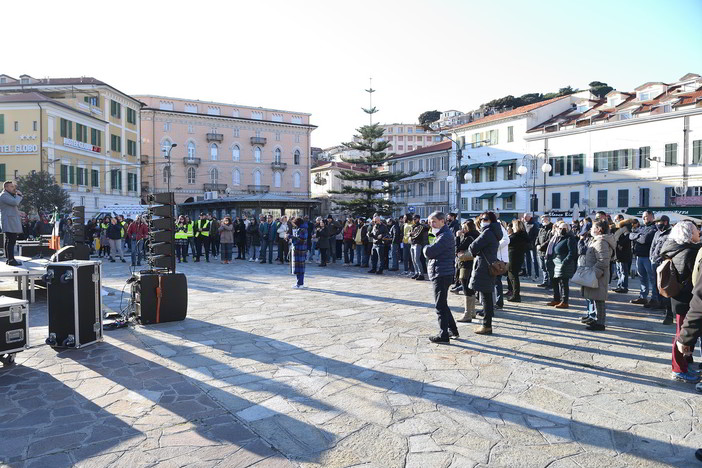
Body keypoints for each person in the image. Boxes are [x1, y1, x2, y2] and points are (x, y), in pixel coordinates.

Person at [659, 221, 701, 383]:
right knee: (682, 334)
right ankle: (678, 369)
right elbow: (691, 278)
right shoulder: (689, 252)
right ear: (689, 234)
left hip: (679, 299)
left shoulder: (674, 248)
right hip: (687, 300)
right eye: (696, 230)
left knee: (683, 332)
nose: (699, 232)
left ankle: (685, 362)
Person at [423, 211, 458, 343]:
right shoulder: (441, 234)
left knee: (440, 306)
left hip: (442, 273)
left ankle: (444, 335)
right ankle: (453, 330)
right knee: (443, 304)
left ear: (442, 221)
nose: (431, 224)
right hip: (441, 271)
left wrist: (425, 247)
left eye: (434, 221)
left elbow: (430, 252)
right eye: (430, 221)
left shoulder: (445, 235)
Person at [468, 211, 502, 335]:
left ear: (491, 220)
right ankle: (487, 324)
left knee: (486, 297)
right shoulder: (495, 231)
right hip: (489, 265)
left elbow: (472, 247)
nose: (482, 221)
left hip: (484, 267)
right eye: (482, 219)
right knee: (487, 296)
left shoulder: (487, 232)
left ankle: (487, 325)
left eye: (485, 219)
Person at [580, 221, 616, 331]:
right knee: (595, 298)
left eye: (593, 227)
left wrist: (592, 275)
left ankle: (600, 323)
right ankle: (597, 320)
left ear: (599, 229)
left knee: (599, 300)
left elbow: (603, 261)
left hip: (598, 276)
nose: (590, 229)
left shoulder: (601, 242)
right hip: (595, 274)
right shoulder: (597, 241)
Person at [629, 211, 658, 306]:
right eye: (643, 217)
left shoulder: (654, 228)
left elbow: (644, 240)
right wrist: (639, 236)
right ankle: (643, 297)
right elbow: (630, 235)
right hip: (639, 256)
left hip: (648, 257)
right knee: (642, 278)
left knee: (652, 279)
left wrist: (637, 236)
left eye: (646, 217)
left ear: (652, 217)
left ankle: (654, 299)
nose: (644, 218)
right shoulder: (642, 228)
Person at [547, 221, 578, 309]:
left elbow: (572, 252)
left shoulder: (570, 238)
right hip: (556, 262)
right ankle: (556, 299)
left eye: (564, 228)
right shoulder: (559, 238)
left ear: (568, 229)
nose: (562, 230)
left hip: (564, 263)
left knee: (563, 283)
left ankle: (565, 301)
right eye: (560, 228)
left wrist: (565, 262)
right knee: (555, 281)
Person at [456, 220, 480, 322]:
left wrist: (458, 237)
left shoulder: (468, 237)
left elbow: (457, 248)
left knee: (466, 287)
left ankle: (467, 314)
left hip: (466, 264)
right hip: (473, 264)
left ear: (467, 228)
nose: (462, 230)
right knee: (471, 288)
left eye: (463, 228)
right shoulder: (477, 235)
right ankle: (472, 312)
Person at [648, 215, 672, 313]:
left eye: (659, 222)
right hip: (654, 261)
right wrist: (651, 257)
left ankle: (665, 304)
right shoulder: (657, 233)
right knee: (655, 283)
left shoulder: (671, 233)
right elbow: (652, 246)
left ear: (665, 222)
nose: (657, 224)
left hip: (663, 262)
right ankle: (658, 302)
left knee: (663, 283)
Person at [507, 219, 530, 303]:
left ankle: (516, 295)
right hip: (518, 257)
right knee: (513, 276)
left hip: (513, 257)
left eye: (513, 226)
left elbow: (508, 242)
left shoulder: (516, 236)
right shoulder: (523, 235)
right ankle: (515, 294)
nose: (512, 228)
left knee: (513, 276)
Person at [0, 181, 23, 266]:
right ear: (6, 188)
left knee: (10, 240)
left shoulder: (8, 195)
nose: (14, 188)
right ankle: (11, 260)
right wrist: (19, 195)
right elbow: (15, 202)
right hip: (9, 221)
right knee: (11, 241)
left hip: (10, 220)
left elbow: (11, 207)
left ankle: (9, 259)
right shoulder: (4, 195)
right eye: (11, 186)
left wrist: (19, 212)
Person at [613, 216, 634, 294]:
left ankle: (623, 286)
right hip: (620, 254)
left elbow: (626, 239)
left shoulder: (626, 231)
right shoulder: (622, 231)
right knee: (620, 271)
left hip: (622, 254)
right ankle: (620, 285)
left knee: (622, 271)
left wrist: (620, 244)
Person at [536, 215, 554, 289]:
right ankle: (545, 281)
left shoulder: (551, 228)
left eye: (544, 219)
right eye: (542, 220)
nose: (543, 221)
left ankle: (550, 283)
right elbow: (538, 237)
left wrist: (541, 246)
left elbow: (549, 240)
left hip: (547, 251)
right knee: (543, 267)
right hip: (540, 251)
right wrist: (537, 244)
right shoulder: (542, 228)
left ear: (548, 219)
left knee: (548, 268)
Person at [290, 217, 308, 288]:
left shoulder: (302, 230)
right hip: (301, 250)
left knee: (299, 267)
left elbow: (300, 240)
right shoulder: (303, 229)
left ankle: (300, 283)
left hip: (299, 250)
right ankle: (299, 282)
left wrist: (290, 237)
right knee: (299, 267)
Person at [410, 214, 429, 280]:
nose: (413, 220)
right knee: (413, 260)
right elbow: (410, 233)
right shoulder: (413, 226)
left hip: (418, 243)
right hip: (412, 243)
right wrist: (411, 234)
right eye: (413, 219)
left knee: (417, 259)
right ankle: (416, 272)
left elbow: (416, 235)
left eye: (415, 219)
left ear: (418, 219)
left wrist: (411, 234)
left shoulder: (421, 226)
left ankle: (421, 274)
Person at [523, 213, 541, 280]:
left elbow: (537, 236)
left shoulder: (534, 224)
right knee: (527, 260)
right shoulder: (525, 224)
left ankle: (537, 275)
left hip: (532, 245)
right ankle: (529, 274)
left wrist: (533, 243)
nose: (524, 218)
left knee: (534, 260)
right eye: (524, 217)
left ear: (530, 217)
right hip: (526, 245)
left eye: (526, 217)